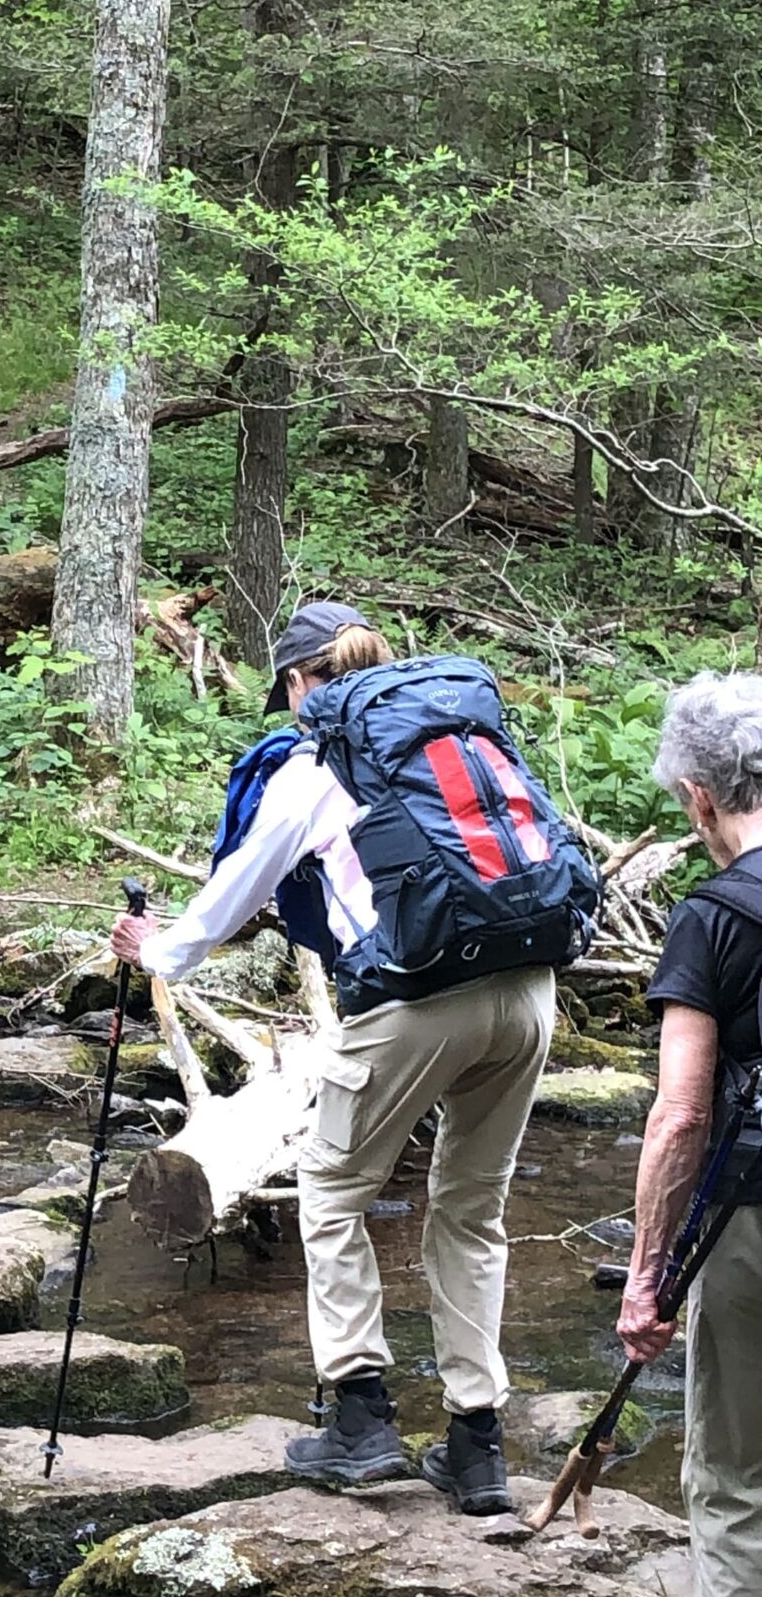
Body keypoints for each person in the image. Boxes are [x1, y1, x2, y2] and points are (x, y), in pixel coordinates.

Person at [112, 600, 596, 1513]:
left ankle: (363, 1422)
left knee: (333, 1192)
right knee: (469, 1212)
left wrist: (157, 952)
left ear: (300, 682)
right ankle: (478, 1445)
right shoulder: (456, 741)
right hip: (530, 988)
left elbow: (228, 900)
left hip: (415, 1001)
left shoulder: (315, 766)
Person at [619, 672, 762, 1597]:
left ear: (707, 797)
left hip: (752, 1220)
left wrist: (647, 1272)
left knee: (736, 1481)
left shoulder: (717, 915)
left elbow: (679, 1115)